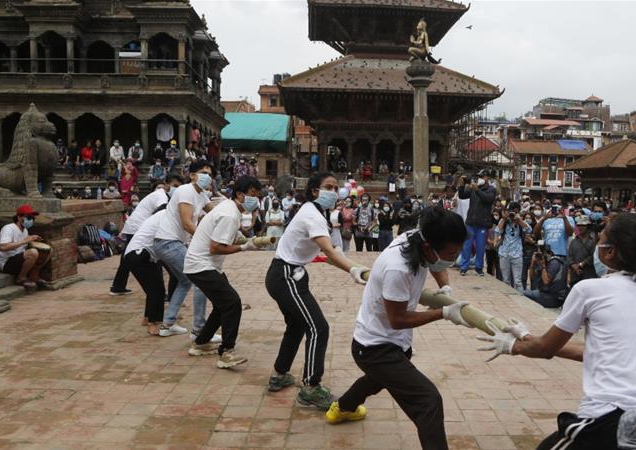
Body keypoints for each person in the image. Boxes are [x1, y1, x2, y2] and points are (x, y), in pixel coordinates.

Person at [478, 213, 636, 450]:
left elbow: (545, 349)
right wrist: (527, 337)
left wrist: (513, 346)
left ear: (610, 251)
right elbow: (601, 352)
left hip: (610, 420)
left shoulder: (590, 290)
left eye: (600, 238)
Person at [327, 208, 470, 450]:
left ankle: (342, 408)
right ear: (429, 247)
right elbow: (398, 319)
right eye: (451, 254)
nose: (453, 259)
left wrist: (445, 288)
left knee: (378, 378)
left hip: (393, 343)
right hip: (374, 347)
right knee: (428, 400)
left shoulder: (419, 239)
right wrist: (443, 313)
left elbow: (437, 263)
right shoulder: (398, 268)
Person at [264, 172, 369, 409]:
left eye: (336, 187)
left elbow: (328, 253)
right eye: (328, 187)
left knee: (297, 326)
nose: (334, 192)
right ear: (314, 191)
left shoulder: (315, 213)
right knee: (318, 327)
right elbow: (330, 252)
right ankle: (310, 387)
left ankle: (279, 375)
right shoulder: (312, 215)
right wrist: (353, 271)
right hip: (286, 276)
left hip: (285, 274)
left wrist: (354, 267)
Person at [184, 176, 263, 368]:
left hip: (205, 265)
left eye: (257, 196)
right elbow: (216, 247)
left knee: (223, 305)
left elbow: (226, 238)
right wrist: (245, 248)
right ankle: (227, 352)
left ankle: (201, 343)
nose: (255, 199)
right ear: (239, 194)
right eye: (252, 195)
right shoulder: (229, 214)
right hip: (201, 265)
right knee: (232, 303)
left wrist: (247, 241)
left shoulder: (230, 209)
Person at [154, 162, 217, 339]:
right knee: (200, 280)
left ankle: (167, 324)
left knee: (185, 282)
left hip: (171, 244)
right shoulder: (186, 191)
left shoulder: (201, 195)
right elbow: (187, 224)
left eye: (210, 174)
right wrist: (208, 239)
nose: (207, 177)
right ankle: (199, 330)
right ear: (192, 175)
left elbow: (214, 214)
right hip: (168, 243)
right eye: (203, 172)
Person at [109, 173, 183, 295]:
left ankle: (118, 286)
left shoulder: (161, 195)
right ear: (166, 185)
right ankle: (159, 291)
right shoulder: (161, 196)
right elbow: (162, 210)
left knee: (127, 259)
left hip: (134, 226)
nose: (176, 189)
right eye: (174, 185)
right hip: (139, 227)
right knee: (155, 259)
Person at [0, 204, 51, 290]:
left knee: (48, 251)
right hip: (7, 263)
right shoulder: (9, 228)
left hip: (19, 260)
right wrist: (25, 241)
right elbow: (3, 247)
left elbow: (23, 243)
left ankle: (34, 276)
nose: (31, 220)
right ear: (18, 217)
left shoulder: (24, 230)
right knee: (33, 253)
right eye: (29, 218)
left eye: (33, 218)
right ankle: (21, 278)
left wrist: (33, 240)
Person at [457, 170, 496, 276]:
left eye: (482, 176)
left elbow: (487, 199)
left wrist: (477, 190)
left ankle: (479, 268)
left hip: (483, 223)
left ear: (487, 178)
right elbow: (462, 196)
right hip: (470, 221)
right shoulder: (473, 188)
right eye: (479, 176)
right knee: (467, 245)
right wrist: (461, 185)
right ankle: (463, 267)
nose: (480, 178)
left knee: (480, 246)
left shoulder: (491, 189)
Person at [495, 202, 532, 290]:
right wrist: (504, 219)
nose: (513, 214)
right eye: (512, 212)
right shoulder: (504, 220)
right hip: (504, 253)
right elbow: (497, 231)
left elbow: (529, 230)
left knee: (517, 282)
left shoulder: (520, 220)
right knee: (506, 280)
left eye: (515, 212)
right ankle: (508, 300)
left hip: (517, 253)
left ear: (518, 212)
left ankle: (521, 300)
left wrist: (518, 220)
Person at [523, 243, 568, 308]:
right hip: (545, 294)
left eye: (541, 254)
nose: (540, 256)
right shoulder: (543, 261)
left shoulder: (554, 263)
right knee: (524, 293)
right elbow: (532, 277)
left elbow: (546, 281)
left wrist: (543, 266)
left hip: (554, 298)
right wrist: (532, 263)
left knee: (523, 294)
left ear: (547, 254)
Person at [566, 215, 598, 286]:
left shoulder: (593, 241)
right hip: (574, 275)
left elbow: (594, 256)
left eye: (583, 225)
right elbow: (569, 256)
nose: (580, 227)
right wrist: (573, 265)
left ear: (588, 226)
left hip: (589, 274)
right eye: (579, 225)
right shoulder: (573, 241)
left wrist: (582, 264)